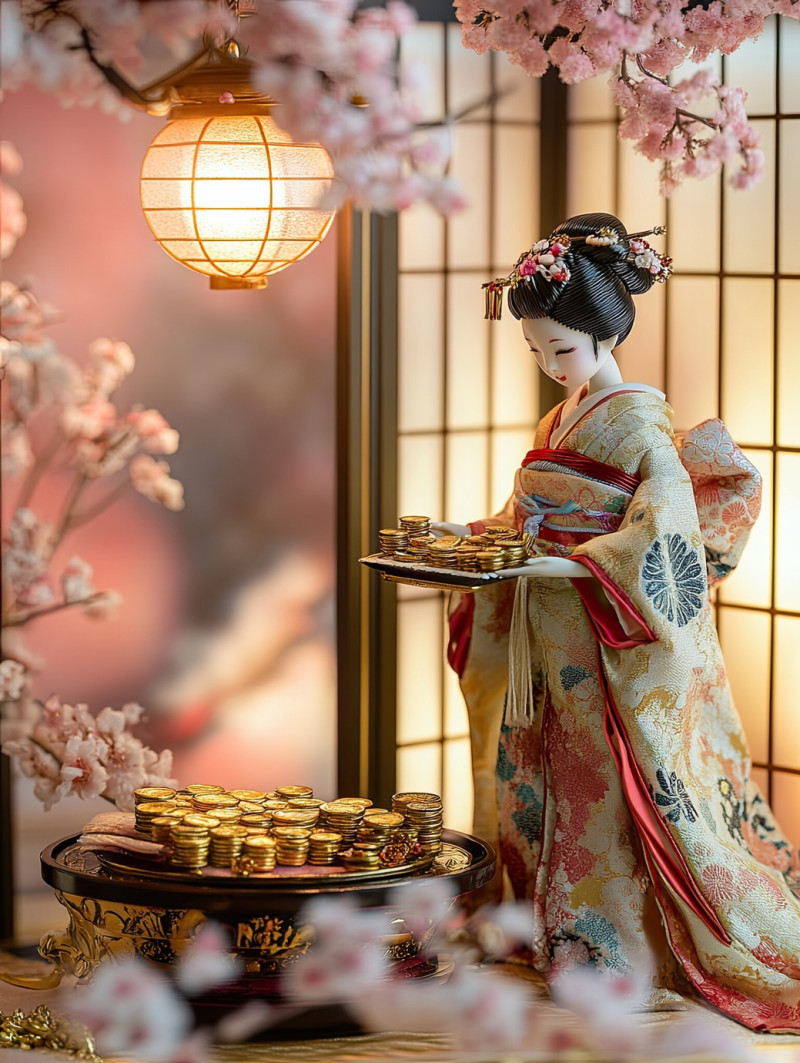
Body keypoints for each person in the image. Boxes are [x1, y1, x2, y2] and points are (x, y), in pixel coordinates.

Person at [441, 212, 800, 1032]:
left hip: (601, 629)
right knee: (546, 772)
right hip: (547, 627)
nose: (548, 366)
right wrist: (469, 543)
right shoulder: (557, 423)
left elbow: (658, 540)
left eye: (560, 350)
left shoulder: (638, 424)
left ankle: (617, 945)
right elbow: (520, 517)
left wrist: (570, 564)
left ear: (606, 332)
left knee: (604, 784)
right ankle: (547, 925)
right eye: (536, 351)